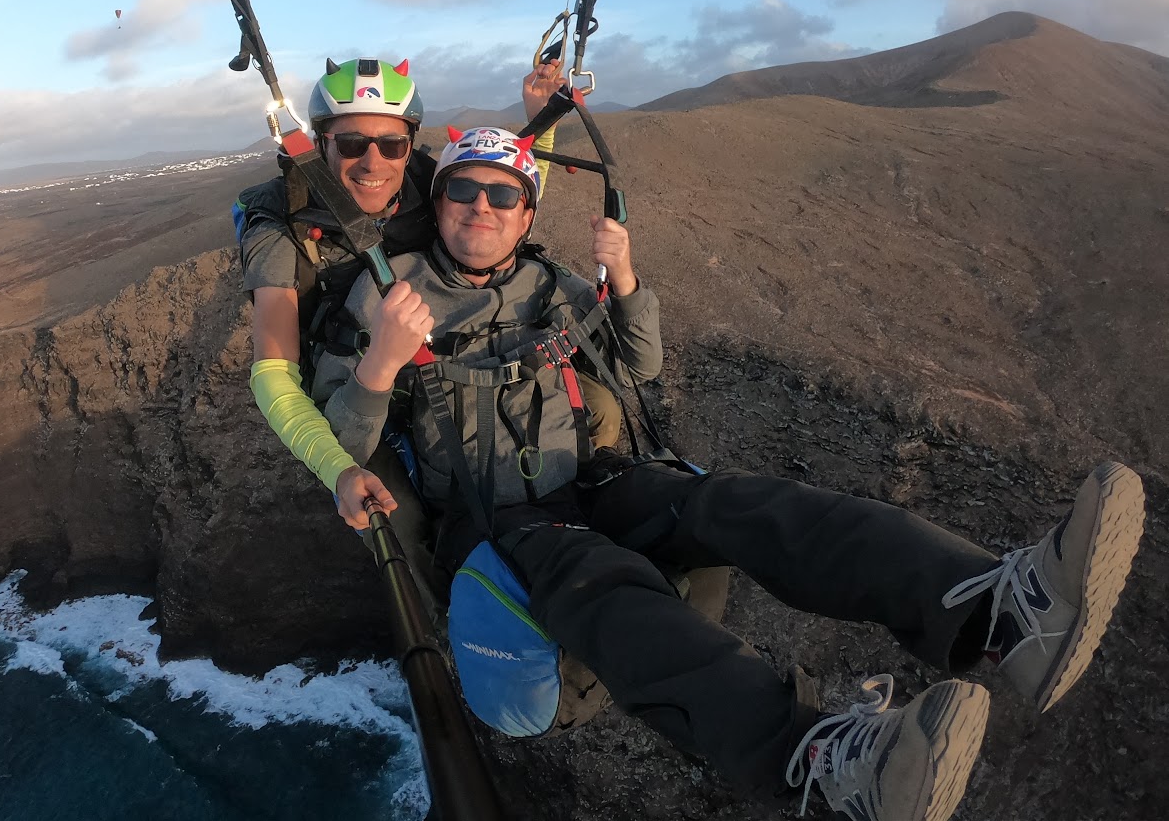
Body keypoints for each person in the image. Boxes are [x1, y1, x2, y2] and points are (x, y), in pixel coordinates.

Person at [310, 125, 1147, 821]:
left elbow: (638, 365)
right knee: (591, 572)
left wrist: (625, 278)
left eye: (503, 194)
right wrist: (381, 363)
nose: (481, 208)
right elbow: (343, 443)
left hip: (591, 480)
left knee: (738, 504)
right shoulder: (383, 296)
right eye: (464, 190)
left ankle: (998, 612)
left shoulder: (551, 285)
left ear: (527, 211)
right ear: (440, 198)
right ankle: (817, 759)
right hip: (494, 522)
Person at [238, 56, 573, 532]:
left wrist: (543, 120)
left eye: (392, 144)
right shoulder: (279, 225)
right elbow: (273, 376)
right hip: (351, 384)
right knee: (401, 526)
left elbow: (505, 207)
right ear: (320, 145)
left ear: (409, 145)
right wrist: (339, 469)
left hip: (429, 363)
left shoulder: (428, 182)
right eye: (352, 143)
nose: (374, 162)